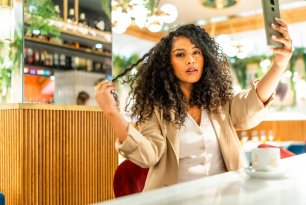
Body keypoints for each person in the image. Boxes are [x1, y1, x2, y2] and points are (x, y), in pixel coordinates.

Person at [95, 20, 293, 191]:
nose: (190, 59)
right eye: (180, 54)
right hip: (176, 200)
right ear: (168, 63)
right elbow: (147, 156)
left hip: (228, 196)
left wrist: (279, 64)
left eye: (196, 52)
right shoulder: (155, 109)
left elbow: (252, 103)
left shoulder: (218, 102)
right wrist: (112, 112)